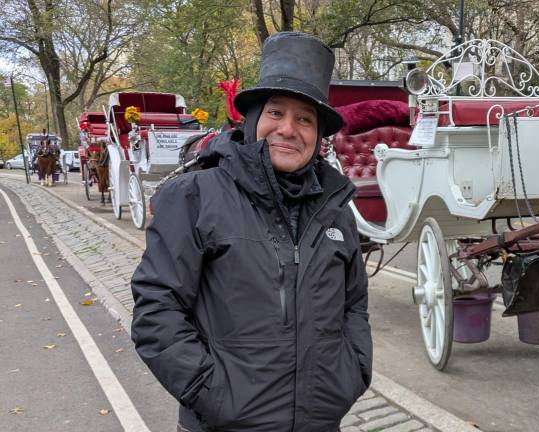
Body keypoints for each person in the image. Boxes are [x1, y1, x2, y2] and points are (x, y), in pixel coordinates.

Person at [130, 32, 372, 432]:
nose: (289, 129)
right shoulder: (194, 196)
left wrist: (351, 374)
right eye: (276, 113)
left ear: (317, 136)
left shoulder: (336, 211)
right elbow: (157, 307)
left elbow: (354, 306)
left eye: (305, 119)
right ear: (254, 119)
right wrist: (212, 393)